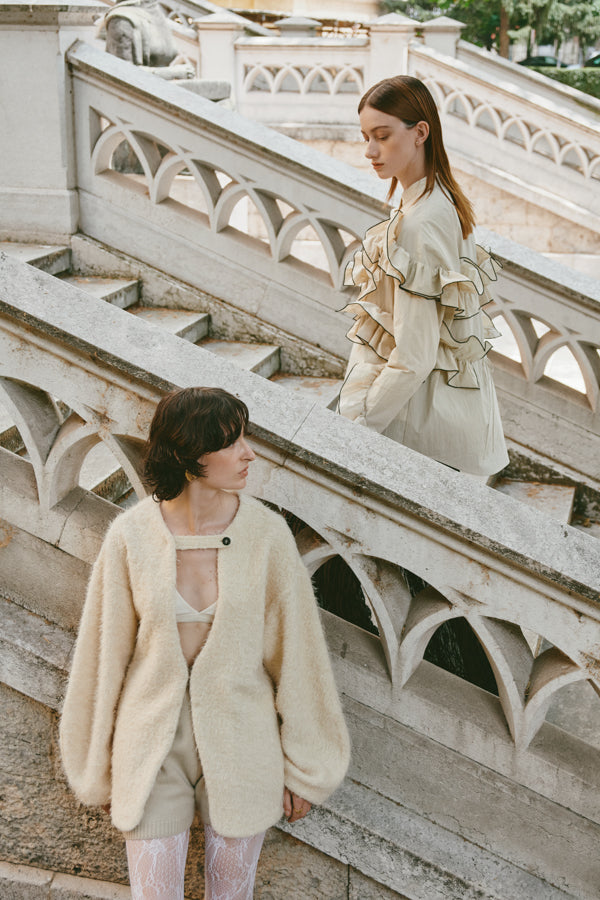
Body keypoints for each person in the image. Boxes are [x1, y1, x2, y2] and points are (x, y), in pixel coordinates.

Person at [59, 386, 350, 900]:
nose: (248, 454)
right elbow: (101, 659)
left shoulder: (267, 536)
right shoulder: (130, 536)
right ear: (189, 453)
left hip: (246, 747)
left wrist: (307, 769)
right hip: (150, 751)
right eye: (231, 442)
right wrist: (96, 768)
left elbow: (299, 658)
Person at [338, 75, 509, 477]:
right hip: (448, 418)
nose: (370, 151)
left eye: (382, 136)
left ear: (420, 133)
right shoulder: (440, 200)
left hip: (420, 431)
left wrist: (358, 426)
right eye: (366, 137)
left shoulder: (420, 223)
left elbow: (415, 355)